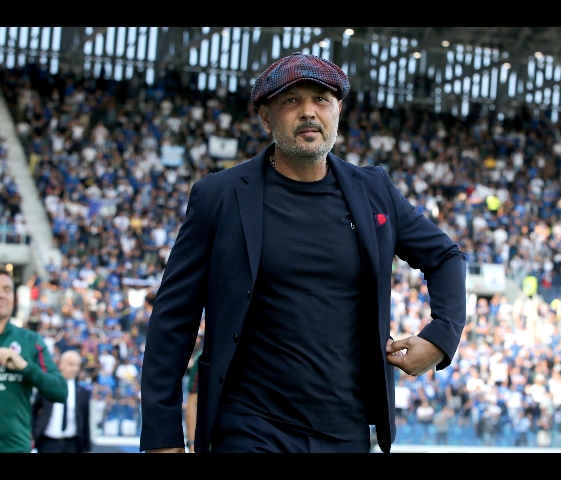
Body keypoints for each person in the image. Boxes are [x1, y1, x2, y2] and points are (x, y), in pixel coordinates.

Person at [140, 53, 467, 454]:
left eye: (321, 99)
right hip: (249, 426)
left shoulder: (374, 191)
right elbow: (173, 318)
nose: (309, 112)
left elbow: (445, 256)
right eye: (291, 100)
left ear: (338, 110)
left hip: (346, 429)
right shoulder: (218, 197)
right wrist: (162, 438)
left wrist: (441, 337)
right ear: (266, 117)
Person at [0, 265, 68, 453]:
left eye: (7, 290)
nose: (1, 295)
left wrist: (25, 367)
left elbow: (60, 391)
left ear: (13, 298)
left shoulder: (30, 340)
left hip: (16, 448)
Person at [32, 350, 92, 453]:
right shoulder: (48, 386)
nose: (75, 369)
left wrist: (87, 447)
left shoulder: (82, 392)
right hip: (48, 443)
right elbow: (34, 411)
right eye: (71, 364)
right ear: (61, 364)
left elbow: (85, 420)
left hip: (73, 444)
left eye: (78, 365)